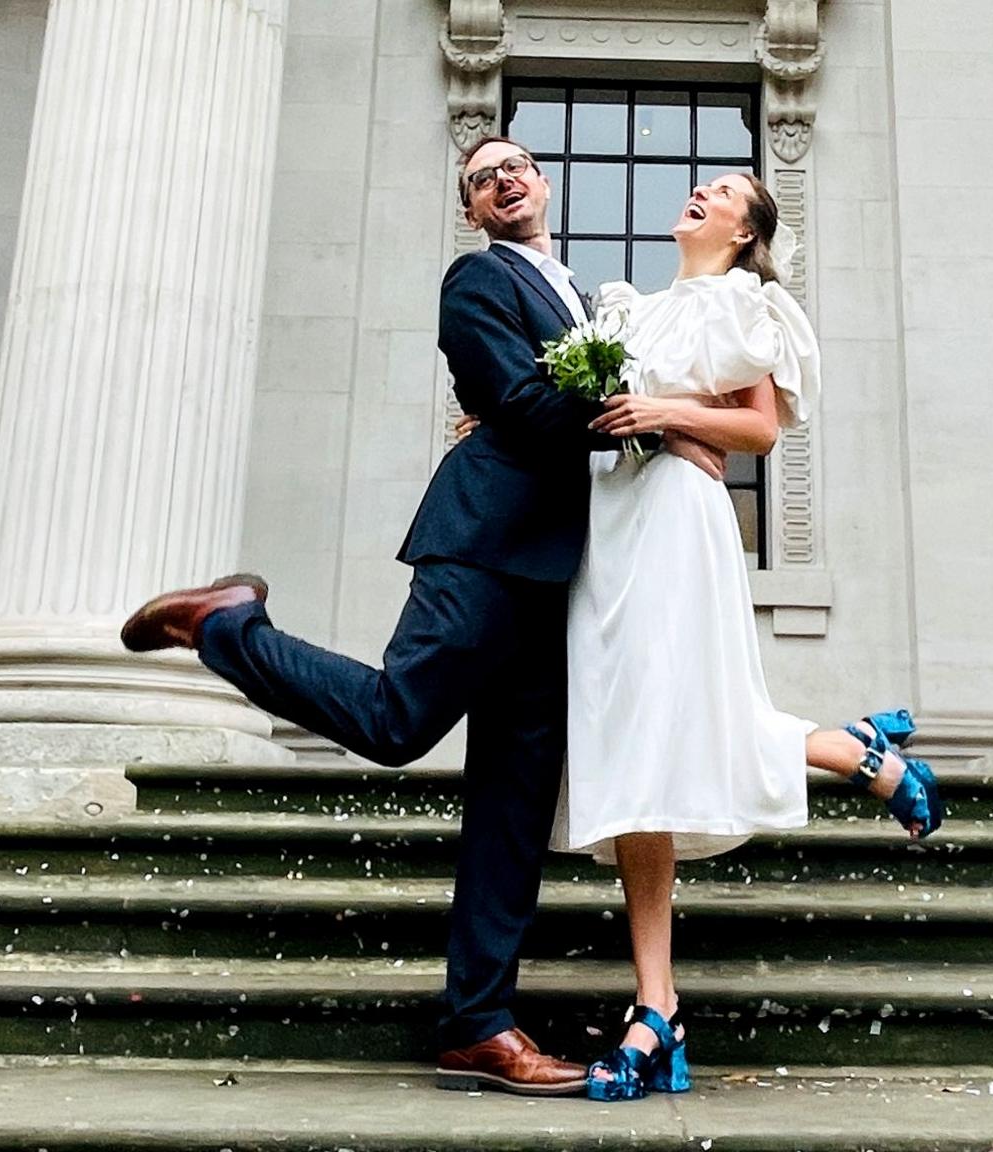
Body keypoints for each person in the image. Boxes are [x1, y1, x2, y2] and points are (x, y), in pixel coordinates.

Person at [117, 136, 725, 1097]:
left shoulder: (582, 293)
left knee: (513, 814)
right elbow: (521, 404)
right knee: (400, 718)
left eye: (516, 165)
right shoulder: (475, 284)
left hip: (559, 576)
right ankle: (227, 628)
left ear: (543, 181)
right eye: (482, 179)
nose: (504, 181)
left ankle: (479, 1026)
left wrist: (655, 415)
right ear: (473, 210)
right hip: (481, 547)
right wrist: (647, 411)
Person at [458, 173, 944, 1103]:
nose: (700, 192)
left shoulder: (744, 303)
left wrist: (668, 415)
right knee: (633, 748)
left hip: (679, 523)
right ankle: (660, 1006)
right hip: (608, 535)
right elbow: (581, 411)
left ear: (746, 228)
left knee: (681, 721)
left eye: (723, 190)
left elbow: (760, 430)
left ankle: (853, 756)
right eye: (702, 184)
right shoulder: (626, 315)